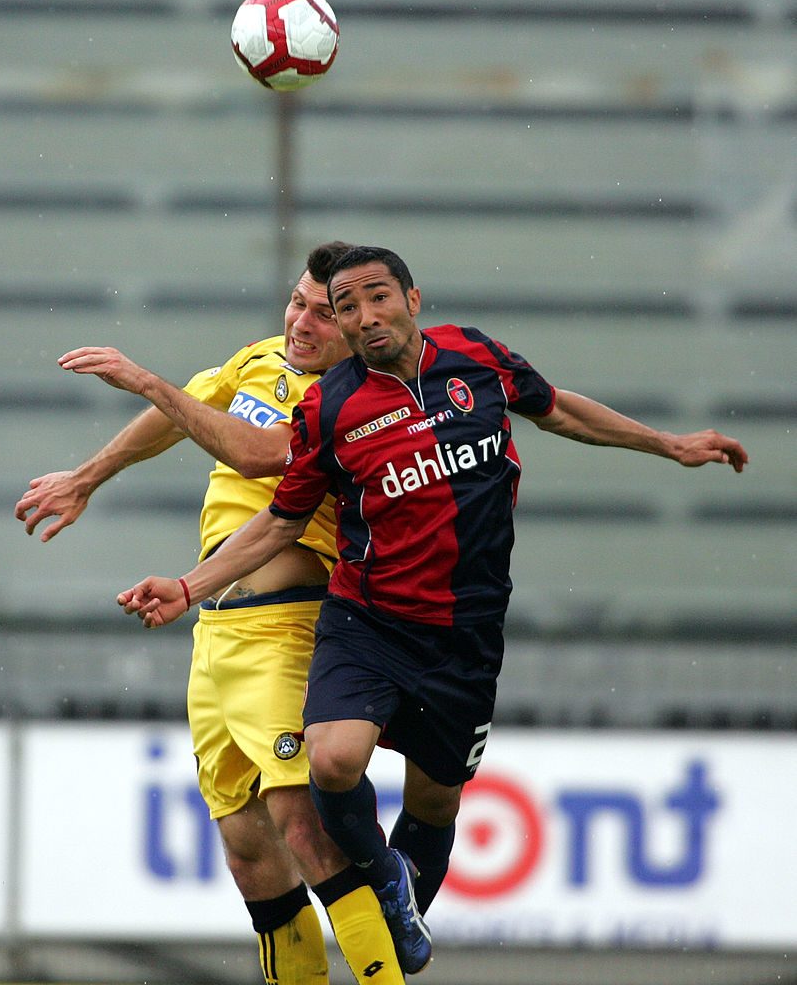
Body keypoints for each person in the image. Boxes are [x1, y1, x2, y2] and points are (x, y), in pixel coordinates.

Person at [115, 245, 749, 975]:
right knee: (331, 759)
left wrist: (669, 444)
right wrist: (192, 586)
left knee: (437, 803)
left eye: (373, 298)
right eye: (342, 307)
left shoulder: (476, 358)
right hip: (368, 617)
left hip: (466, 630)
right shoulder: (331, 405)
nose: (362, 317)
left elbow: (559, 409)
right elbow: (281, 515)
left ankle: (401, 895)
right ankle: (383, 873)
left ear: (414, 300)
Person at [15, 242, 412, 985]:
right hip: (216, 632)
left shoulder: (353, 400)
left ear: (357, 329)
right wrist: (88, 478)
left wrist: (142, 379)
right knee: (248, 849)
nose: (301, 323)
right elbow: (186, 415)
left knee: (303, 825)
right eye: (298, 302)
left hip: (285, 626)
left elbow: (257, 452)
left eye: (325, 315)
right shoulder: (260, 359)